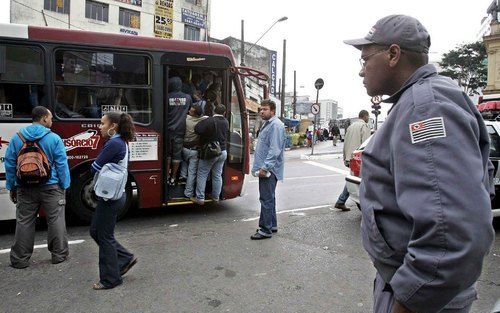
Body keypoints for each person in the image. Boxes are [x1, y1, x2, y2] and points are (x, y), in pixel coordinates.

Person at [344, 15, 494, 313]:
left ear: (393, 54)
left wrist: (408, 302)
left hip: (422, 301)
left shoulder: (426, 108)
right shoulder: (421, 101)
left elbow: (451, 233)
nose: (361, 71)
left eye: (365, 59)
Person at [5, 106, 70, 268]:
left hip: (24, 187)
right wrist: (64, 185)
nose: (52, 120)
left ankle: (20, 259)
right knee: (55, 220)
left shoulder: (17, 138)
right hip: (51, 186)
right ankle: (59, 255)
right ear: (43, 119)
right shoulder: (54, 138)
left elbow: (10, 163)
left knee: (24, 222)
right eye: (50, 117)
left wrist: (12, 186)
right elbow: (62, 165)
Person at [90, 112, 138, 290]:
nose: (99, 126)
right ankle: (125, 257)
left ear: (113, 126)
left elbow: (95, 166)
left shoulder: (114, 143)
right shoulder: (119, 141)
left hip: (111, 196)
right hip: (114, 195)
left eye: (102, 123)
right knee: (96, 231)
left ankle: (110, 279)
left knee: (104, 236)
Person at [250, 99, 286, 240]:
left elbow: (274, 150)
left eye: (265, 109)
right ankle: (272, 225)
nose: (261, 111)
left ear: (273, 111)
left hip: (269, 170)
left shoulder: (275, 125)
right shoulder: (268, 124)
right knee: (270, 197)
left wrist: (265, 168)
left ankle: (265, 229)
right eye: (261, 109)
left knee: (266, 199)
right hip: (268, 168)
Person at [191, 104, 229, 205]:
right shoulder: (226, 122)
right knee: (217, 175)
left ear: (214, 111)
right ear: (224, 113)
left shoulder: (209, 120)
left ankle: (200, 198)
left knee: (202, 173)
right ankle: (216, 197)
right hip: (223, 151)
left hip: (211, 152)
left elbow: (197, 129)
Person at [334, 110, 371, 211]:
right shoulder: (365, 126)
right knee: (358, 180)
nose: (368, 118)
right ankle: (342, 201)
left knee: (354, 179)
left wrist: (345, 157)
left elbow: (345, 143)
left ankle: (341, 201)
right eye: (368, 116)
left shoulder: (350, 127)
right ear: (365, 116)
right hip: (359, 158)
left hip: (350, 157)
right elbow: (367, 144)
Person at [166, 76, 192, 185]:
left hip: (167, 131)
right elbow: (190, 111)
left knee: (167, 155)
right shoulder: (188, 97)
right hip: (180, 132)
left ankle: (166, 176)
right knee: (177, 156)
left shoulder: (166, 97)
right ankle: (173, 178)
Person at [179, 104, 206, 198]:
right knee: (192, 172)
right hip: (194, 151)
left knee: (184, 161)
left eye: (191, 110)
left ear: (193, 114)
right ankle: (188, 193)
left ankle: (182, 176)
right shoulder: (201, 120)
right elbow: (207, 117)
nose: (189, 110)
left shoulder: (187, 119)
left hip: (184, 148)